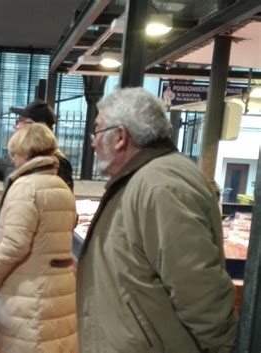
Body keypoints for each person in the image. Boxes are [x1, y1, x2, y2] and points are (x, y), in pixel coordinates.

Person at [77, 87, 238, 353]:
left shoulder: (160, 185)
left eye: (97, 130)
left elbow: (199, 292)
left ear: (120, 137)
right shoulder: (145, 178)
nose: (93, 140)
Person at [0, 123, 78, 353]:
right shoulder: (62, 186)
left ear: (26, 153)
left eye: (14, 154)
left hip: (29, 296)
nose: (13, 160)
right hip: (59, 293)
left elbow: (15, 245)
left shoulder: (26, 187)